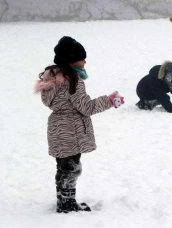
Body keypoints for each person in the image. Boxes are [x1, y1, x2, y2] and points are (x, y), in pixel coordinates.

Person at [34, 36, 125, 213]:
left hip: (57, 126)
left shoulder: (52, 78)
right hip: (71, 129)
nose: (85, 61)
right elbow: (87, 107)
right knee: (72, 169)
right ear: (71, 61)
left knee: (63, 167)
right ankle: (67, 205)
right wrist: (110, 100)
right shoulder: (73, 81)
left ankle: (63, 201)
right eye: (82, 58)